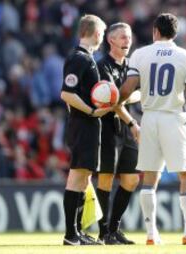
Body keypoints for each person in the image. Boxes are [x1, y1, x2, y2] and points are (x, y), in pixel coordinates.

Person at [117, 13, 186, 245]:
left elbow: (127, 89)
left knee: (149, 177)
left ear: (155, 31)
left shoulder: (140, 54)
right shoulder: (185, 55)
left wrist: (115, 102)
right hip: (174, 117)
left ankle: (151, 234)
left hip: (149, 118)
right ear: (175, 33)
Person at [60, 14, 112, 246]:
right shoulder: (79, 58)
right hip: (84, 124)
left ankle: (77, 232)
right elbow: (66, 93)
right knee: (77, 176)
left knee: (83, 177)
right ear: (97, 33)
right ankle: (70, 235)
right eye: (102, 33)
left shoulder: (86, 58)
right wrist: (89, 112)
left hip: (87, 124)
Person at [95, 22, 140, 245]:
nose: (127, 41)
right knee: (105, 179)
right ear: (110, 40)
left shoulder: (132, 66)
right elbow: (113, 102)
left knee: (131, 180)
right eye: (122, 37)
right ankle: (103, 232)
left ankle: (114, 229)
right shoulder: (103, 65)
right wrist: (133, 122)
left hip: (127, 128)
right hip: (109, 128)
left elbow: (138, 95)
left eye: (129, 37)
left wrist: (126, 97)